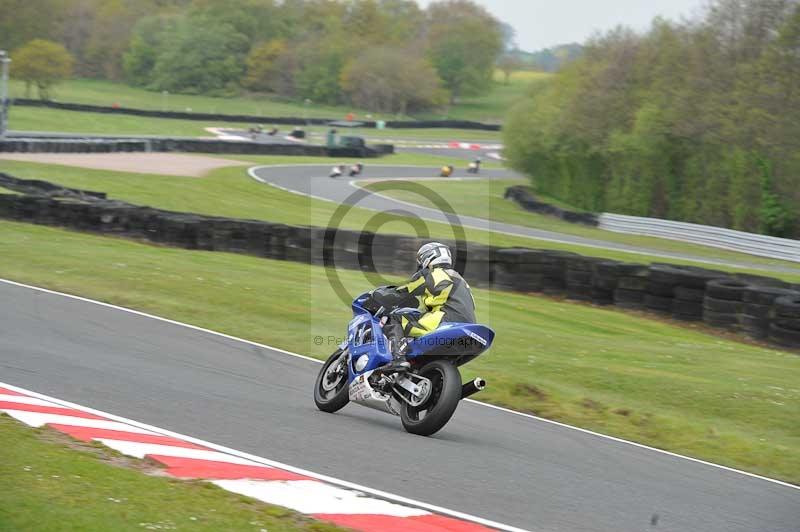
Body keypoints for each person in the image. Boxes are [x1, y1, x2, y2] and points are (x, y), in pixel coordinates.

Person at [379, 242, 476, 371]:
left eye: (421, 260)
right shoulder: (460, 279)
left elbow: (403, 291)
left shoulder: (430, 274)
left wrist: (379, 295)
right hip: (469, 326)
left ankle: (398, 359)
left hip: (445, 320)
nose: (420, 265)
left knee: (394, 319)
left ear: (428, 258)